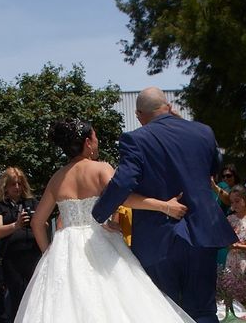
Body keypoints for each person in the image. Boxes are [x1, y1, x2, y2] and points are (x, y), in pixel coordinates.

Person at [14, 118, 195, 322]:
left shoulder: (57, 178)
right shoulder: (100, 168)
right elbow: (123, 198)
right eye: (95, 136)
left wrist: (49, 253)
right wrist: (164, 206)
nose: (97, 141)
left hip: (65, 246)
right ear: (88, 142)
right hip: (98, 237)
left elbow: (38, 222)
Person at [92, 87, 237, 323]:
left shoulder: (135, 139)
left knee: (163, 310)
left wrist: (100, 213)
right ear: (168, 105)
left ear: (139, 115)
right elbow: (215, 166)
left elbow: (124, 181)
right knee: (203, 311)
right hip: (202, 232)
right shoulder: (203, 132)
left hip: (158, 237)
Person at [0, 167, 42, 320]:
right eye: (13, 184)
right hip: (12, 259)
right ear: (6, 186)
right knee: (17, 297)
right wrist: (16, 225)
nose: (17, 187)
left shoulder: (32, 202)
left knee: (35, 295)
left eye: (19, 184)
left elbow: (43, 224)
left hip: (33, 254)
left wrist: (37, 222)